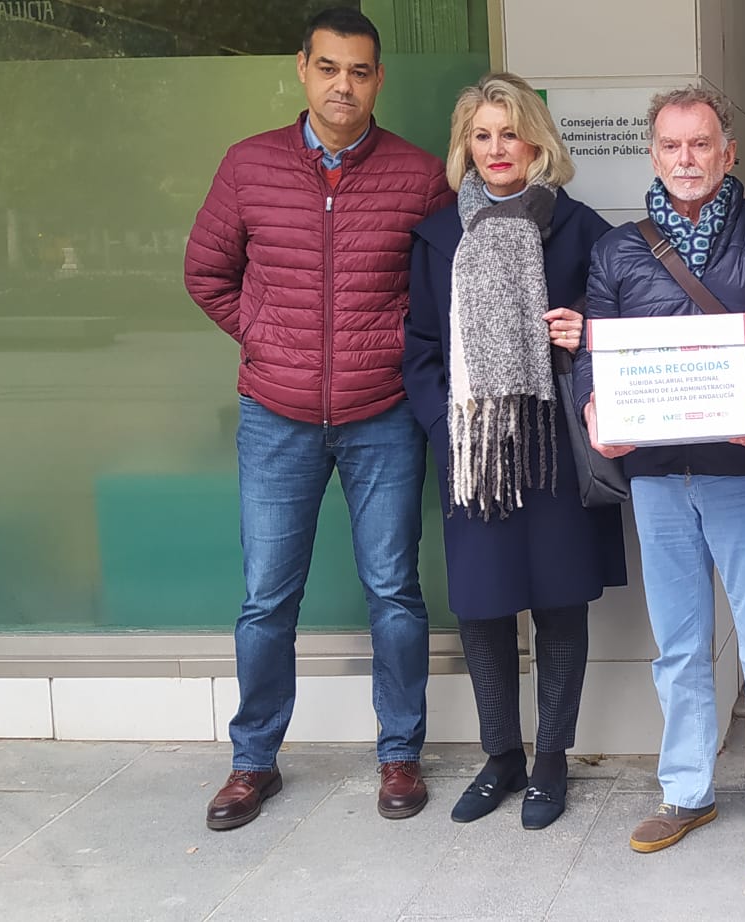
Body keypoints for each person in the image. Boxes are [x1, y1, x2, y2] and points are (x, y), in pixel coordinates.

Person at [184, 6, 452, 830]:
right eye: (330, 68)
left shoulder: (417, 175)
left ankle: (400, 753)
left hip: (382, 417)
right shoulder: (248, 165)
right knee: (267, 598)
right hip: (277, 416)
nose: (345, 85)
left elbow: (438, 293)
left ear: (379, 79)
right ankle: (252, 761)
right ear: (302, 69)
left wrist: (397, 359)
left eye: (361, 71)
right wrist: (271, 342)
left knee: (394, 592)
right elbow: (206, 271)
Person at [574, 86, 745, 872]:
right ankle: (687, 790)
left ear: (728, 151)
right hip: (655, 476)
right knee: (678, 644)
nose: (686, 159)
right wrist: (593, 411)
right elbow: (592, 357)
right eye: (672, 146)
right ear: (653, 154)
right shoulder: (615, 252)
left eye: (701, 144)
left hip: (742, 468)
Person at [401, 72, 625, 830]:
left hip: (556, 446)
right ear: (466, 145)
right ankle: (502, 758)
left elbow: (616, 325)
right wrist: (448, 429)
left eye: (510, 132)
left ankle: (551, 762)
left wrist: (584, 331)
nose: (497, 148)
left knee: (560, 601)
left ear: (537, 141)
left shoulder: (582, 230)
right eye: (482, 134)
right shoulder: (437, 237)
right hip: (474, 454)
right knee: (483, 606)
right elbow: (422, 353)